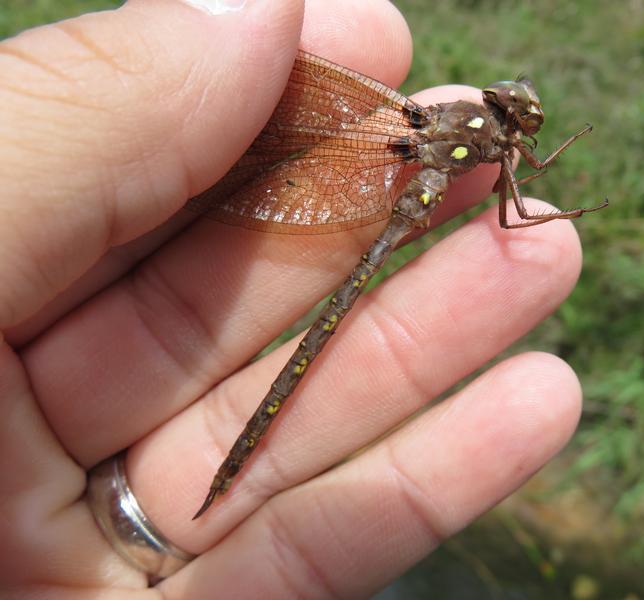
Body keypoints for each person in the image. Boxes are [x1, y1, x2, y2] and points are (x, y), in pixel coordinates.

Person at [0, 0, 584, 596]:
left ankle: (215, 481)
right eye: (519, 110)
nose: (519, 113)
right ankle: (219, 477)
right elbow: (516, 204)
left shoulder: (450, 126)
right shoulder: (481, 137)